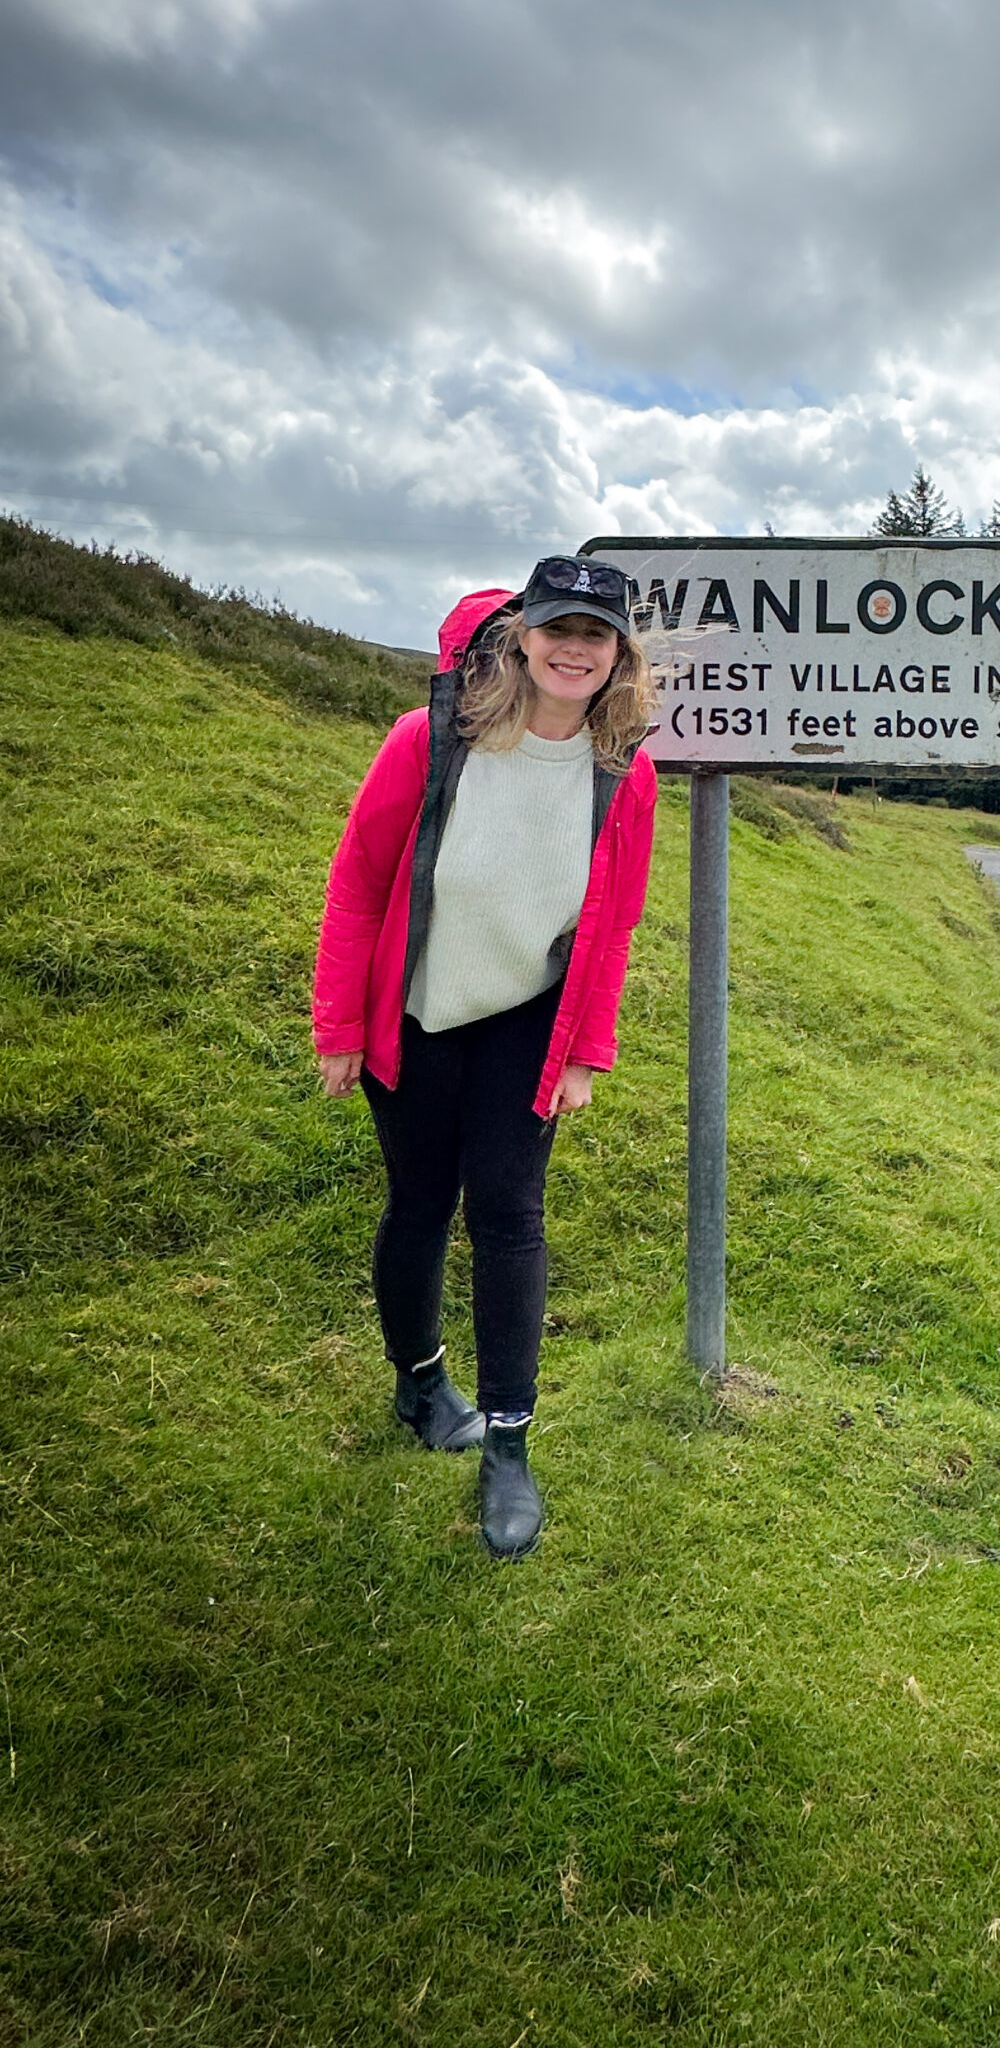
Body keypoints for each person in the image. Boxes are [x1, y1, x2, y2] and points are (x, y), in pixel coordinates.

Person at [312, 557, 658, 1558]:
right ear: (520, 636)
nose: (575, 648)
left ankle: (509, 1444)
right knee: (419, 1205)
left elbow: (615, 920)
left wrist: (589, 1046)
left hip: (528, 1015)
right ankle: (420, 1386)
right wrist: (339, 1026)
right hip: (417, 1009)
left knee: (510, 1212)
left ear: (618, 654)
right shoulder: (431, 741)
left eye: (597, 635)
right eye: (559, 628)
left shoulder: (622, 771)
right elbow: (359, 880)